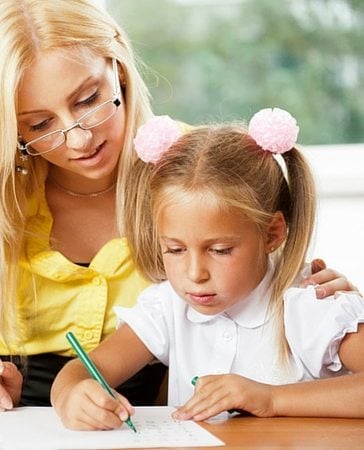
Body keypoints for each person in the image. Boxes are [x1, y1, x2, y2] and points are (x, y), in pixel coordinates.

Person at [0, 0, 356, 412]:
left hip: (167, 407)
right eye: (39, 125)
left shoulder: (188, 171)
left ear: (119, 68)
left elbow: (266, 277)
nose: (79, 139)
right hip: (20, 411)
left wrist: (327, 300)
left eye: (89, 100)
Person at [51, 108, 364, 430]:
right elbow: (81, 371)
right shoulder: (167, 308)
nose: (195, 273)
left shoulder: (310, 305)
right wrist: (72, 395)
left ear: (272, 234)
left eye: (220, 250)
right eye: (174, 249)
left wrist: (271, 399)